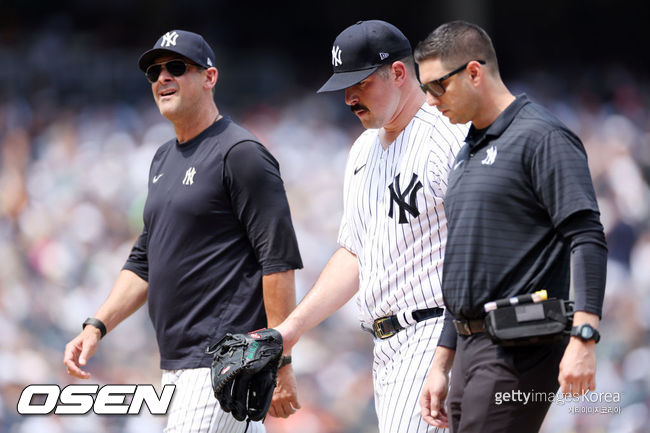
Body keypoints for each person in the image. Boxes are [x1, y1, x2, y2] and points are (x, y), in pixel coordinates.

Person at [63, 29, 303, 432]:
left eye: (177, 67)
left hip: (222, 361)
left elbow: (277, 261)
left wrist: (280, 361)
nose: (162, 78)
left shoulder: (240, 153)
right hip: (176, 365)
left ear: (210, 77)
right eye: (154, 72)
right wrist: (97, 325)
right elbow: (145, 258)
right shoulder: (162, 159)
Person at [413, 21, 608, 433]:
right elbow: (463, 266)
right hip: (470, 348)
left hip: (520, 346)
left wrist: (585, 334)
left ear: (473, 72)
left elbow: (587, 235)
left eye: (437, 87)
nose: (430, 101)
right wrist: (442, 361)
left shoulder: (542, 136)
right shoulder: (469, 148)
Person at [274, 20, 467, 433]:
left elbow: (482, 245)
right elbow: (355, 254)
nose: (349, 98)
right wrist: (290, 330)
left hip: (436, 334)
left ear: (398, 73)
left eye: (359, 83)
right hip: (386, 346)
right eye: (344, 87)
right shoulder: (363, 149)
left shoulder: (449, 136)